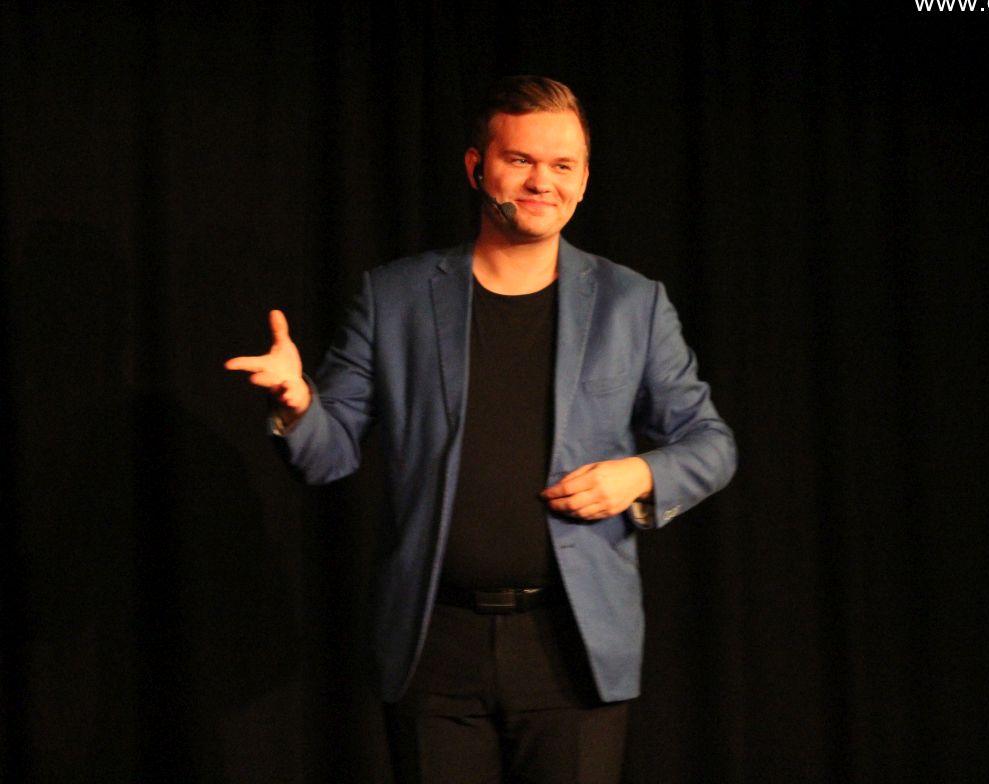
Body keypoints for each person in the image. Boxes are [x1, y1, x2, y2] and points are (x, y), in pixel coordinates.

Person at [225, 75, 736, 783]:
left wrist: (641, 474)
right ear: (477, 167)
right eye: (520, 159)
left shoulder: (633, 304)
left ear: (584, 181)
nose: (542, 181)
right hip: (435, 644)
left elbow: (711, 443)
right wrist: (298, 404)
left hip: (574, 646)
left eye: (562, 165)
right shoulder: (395, 297)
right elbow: (328, 454)